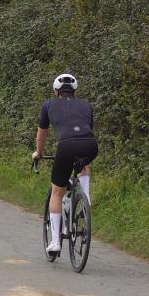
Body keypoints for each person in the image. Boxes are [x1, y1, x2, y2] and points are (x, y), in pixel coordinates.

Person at [31, 73, 98, 254]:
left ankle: (55, 242)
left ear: (56, 92)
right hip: (91, 146)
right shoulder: (87, 105)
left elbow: (42, 133)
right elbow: (86, 129)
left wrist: (39, 153)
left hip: (66, 146)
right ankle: (85, 200)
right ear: (75, 92)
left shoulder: (48, 105)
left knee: (57, 192)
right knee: (82, 163)